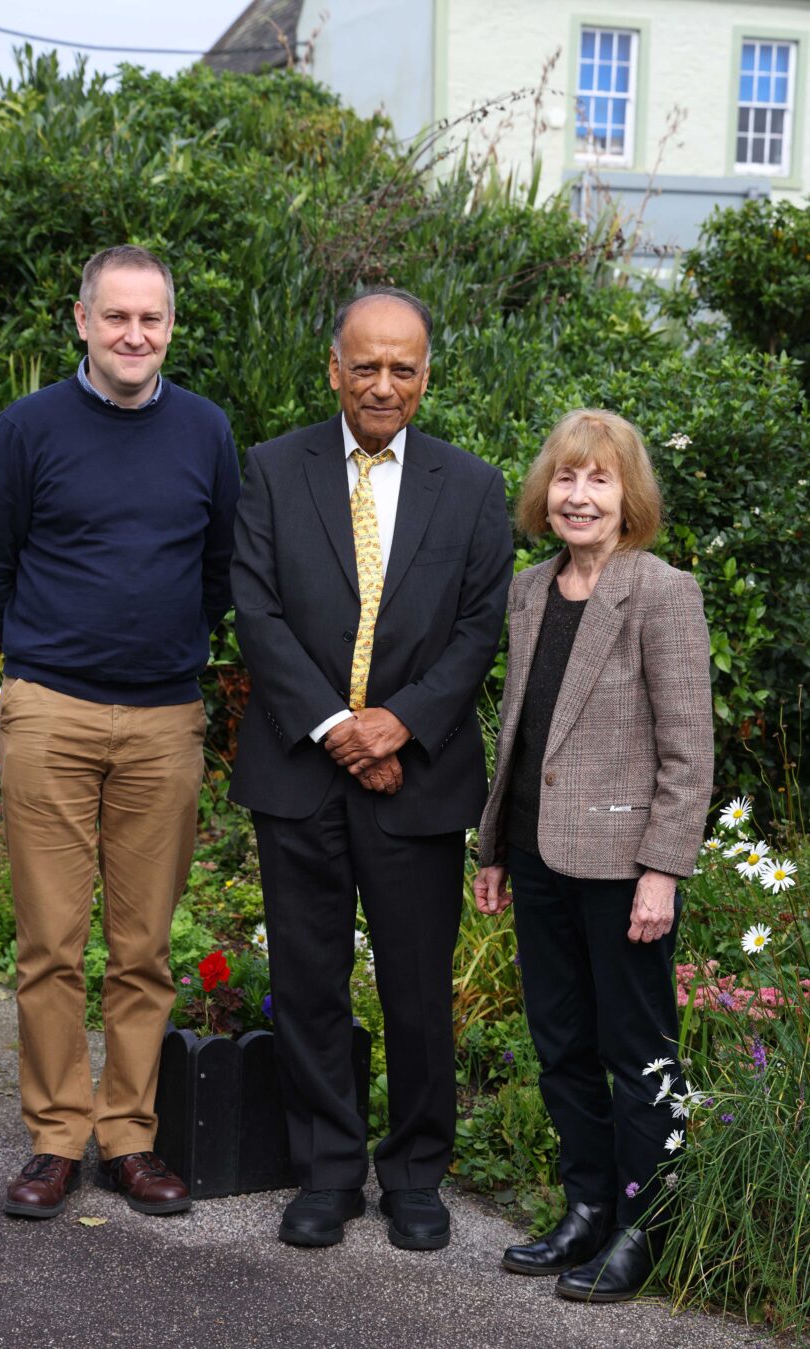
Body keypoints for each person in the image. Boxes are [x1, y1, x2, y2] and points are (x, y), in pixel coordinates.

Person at [0, 245, 240, 1220]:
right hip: (52, 710)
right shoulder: (28, 427)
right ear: (81, 321)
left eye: (151, 320)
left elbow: (217, 570)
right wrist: (44, 658)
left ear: (169, 327)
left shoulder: (206, 431)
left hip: (165, 715)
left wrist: (163, 649)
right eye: (116, 317)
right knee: (49, 941)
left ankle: (127, 1135)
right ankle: (53, 1137)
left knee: (143, 943)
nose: (134, 335)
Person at [229, 287, 512, 1250]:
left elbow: (481, 626)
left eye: (403, 368)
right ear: (334, 369)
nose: (383, 384)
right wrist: (333, 728)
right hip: (297, 770)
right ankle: (328, 1172)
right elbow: (256, 612)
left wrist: (397, 725)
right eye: (366, 366)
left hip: (419, 774)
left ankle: (417, 1173)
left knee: (417, 989)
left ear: (426, 377)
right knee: (308, 981)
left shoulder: (473, 487)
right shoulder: (270, 470)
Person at [475, 409, 713, 1301]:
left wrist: (663, 868)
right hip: (538, 855)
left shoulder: (660, 591)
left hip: (624, 869)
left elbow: (689, 751)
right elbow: (521, 733)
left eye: (599, 479)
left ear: (628, 496)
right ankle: (584, 1206)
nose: (579, 496)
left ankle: (644, 1224)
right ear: (547, 492)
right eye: (566, 479)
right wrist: (494, 846)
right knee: (561, 1045)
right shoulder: (532, 590)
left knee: (638, 1051)